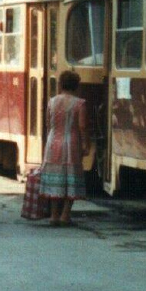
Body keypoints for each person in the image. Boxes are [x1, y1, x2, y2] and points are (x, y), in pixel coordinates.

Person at [40, 70, 89, 226]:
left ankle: (54, 215)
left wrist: (50, 140)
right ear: (76, 86)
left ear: (61, 84)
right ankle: (65, 215)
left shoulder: (52, 102)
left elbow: (49, 124)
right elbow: (82, 126)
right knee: (71, 178)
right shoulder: (79, 104)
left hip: (53, 142)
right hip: (71, 143)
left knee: (56, 179)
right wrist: (85, 144)